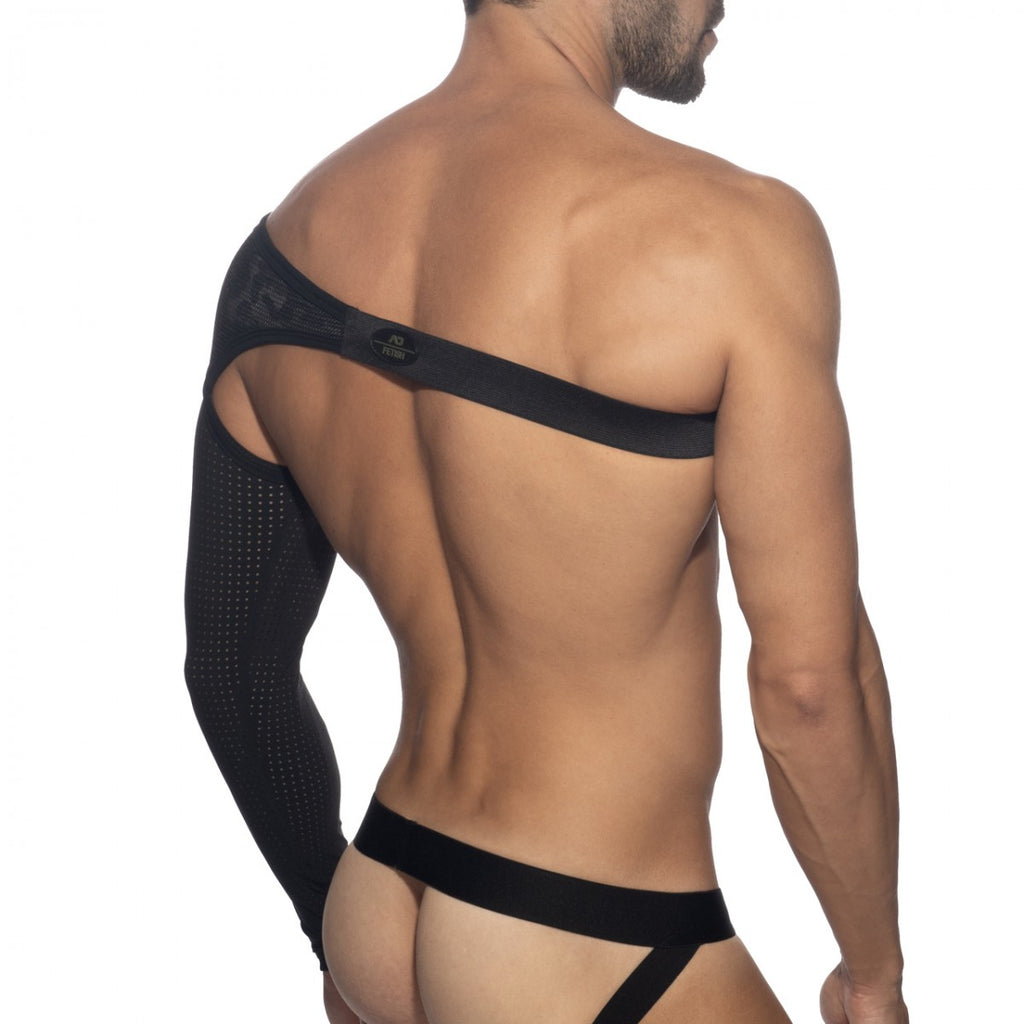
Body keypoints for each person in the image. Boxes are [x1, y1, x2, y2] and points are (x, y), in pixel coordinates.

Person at [184, 1, 908, 1022]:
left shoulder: (284, 253)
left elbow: (234, 669)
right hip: (597, 937)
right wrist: (872, 971)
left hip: (382, 894)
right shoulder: (733, 236)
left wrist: (333, 931)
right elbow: (808, 687)